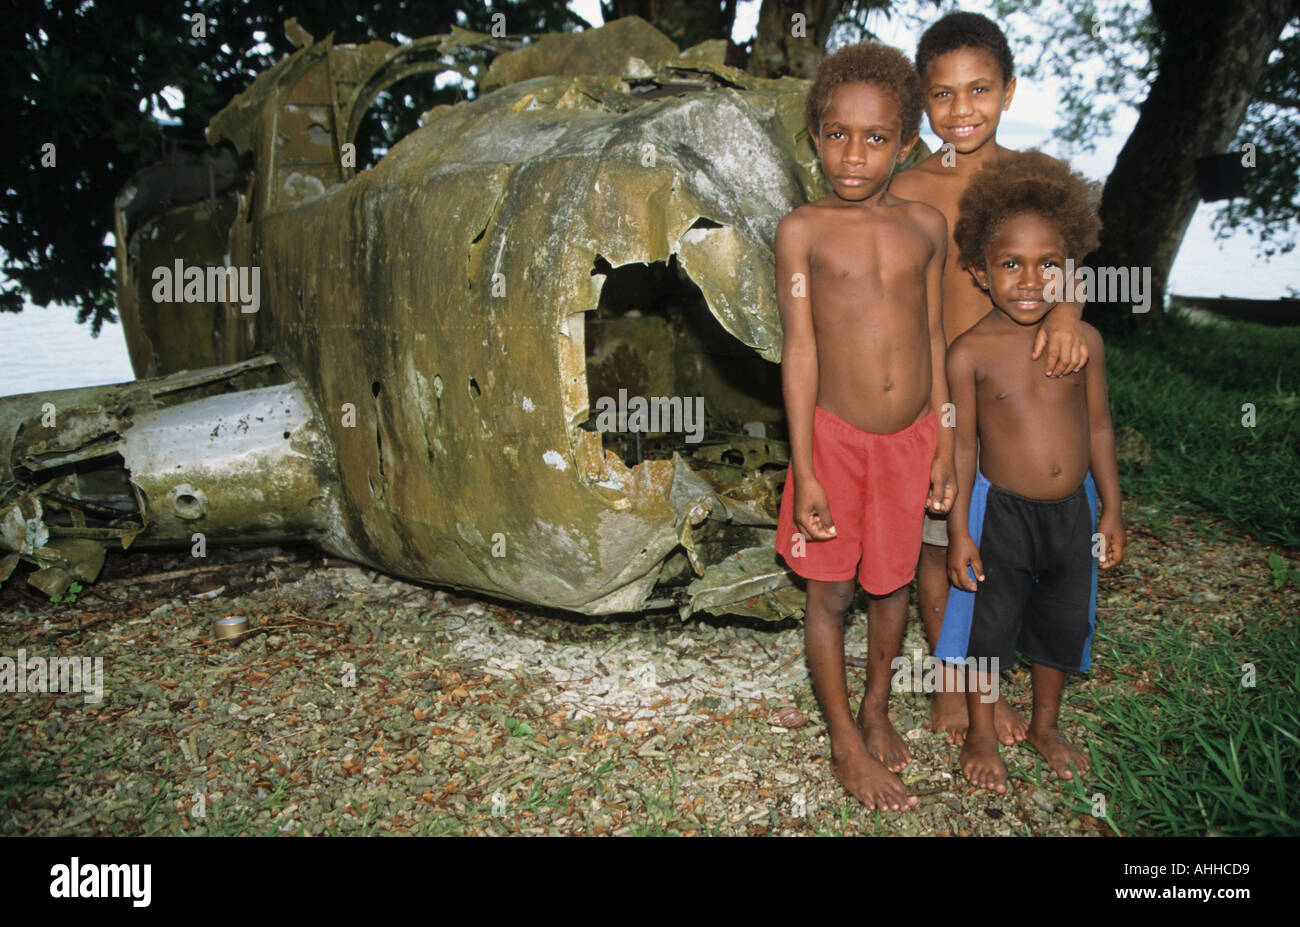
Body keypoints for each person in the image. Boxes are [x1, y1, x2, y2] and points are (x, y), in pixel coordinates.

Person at [890, 11, 1090, 745]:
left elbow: (1071, 259)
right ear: (922, 100)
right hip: (937, 390)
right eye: (941, 94)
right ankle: (953, 682)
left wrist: (1066, 314)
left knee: (1008, 549)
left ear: (1009, 91)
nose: (961, 109)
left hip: (1015, 398)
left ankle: (999, 671)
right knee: (940, 541)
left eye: (979, 89)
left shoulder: (1033, 180)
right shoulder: (909, 188)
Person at [773, 41, 954, 812]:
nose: (854, 153)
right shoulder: (801, 231)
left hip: (911, 439)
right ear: (815, 135)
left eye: (876, 137)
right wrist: (808, 466)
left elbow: (937, 336)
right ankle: (844, 738)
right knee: (832, 591)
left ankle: (877, 704)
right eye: (838, 133)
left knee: (894, 584)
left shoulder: (925, 229)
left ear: (905, 143)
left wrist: (944, 441)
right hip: (837, 440)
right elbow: (801, 347)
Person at [936, 150, 1126, 793]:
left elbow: (1099, 427)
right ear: (979, 273)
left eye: (1048, 265)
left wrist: (1114, 510)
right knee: (990, 628)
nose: (1028, 280)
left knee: (1061, 621)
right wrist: (960, 532)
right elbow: (961, 449)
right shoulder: (970, 354)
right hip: (1003, 513)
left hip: (1072, 510)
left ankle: (1046, 724)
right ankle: (983, 732)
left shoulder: (1085, 343)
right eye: (1009, 264)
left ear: (1071, 273)